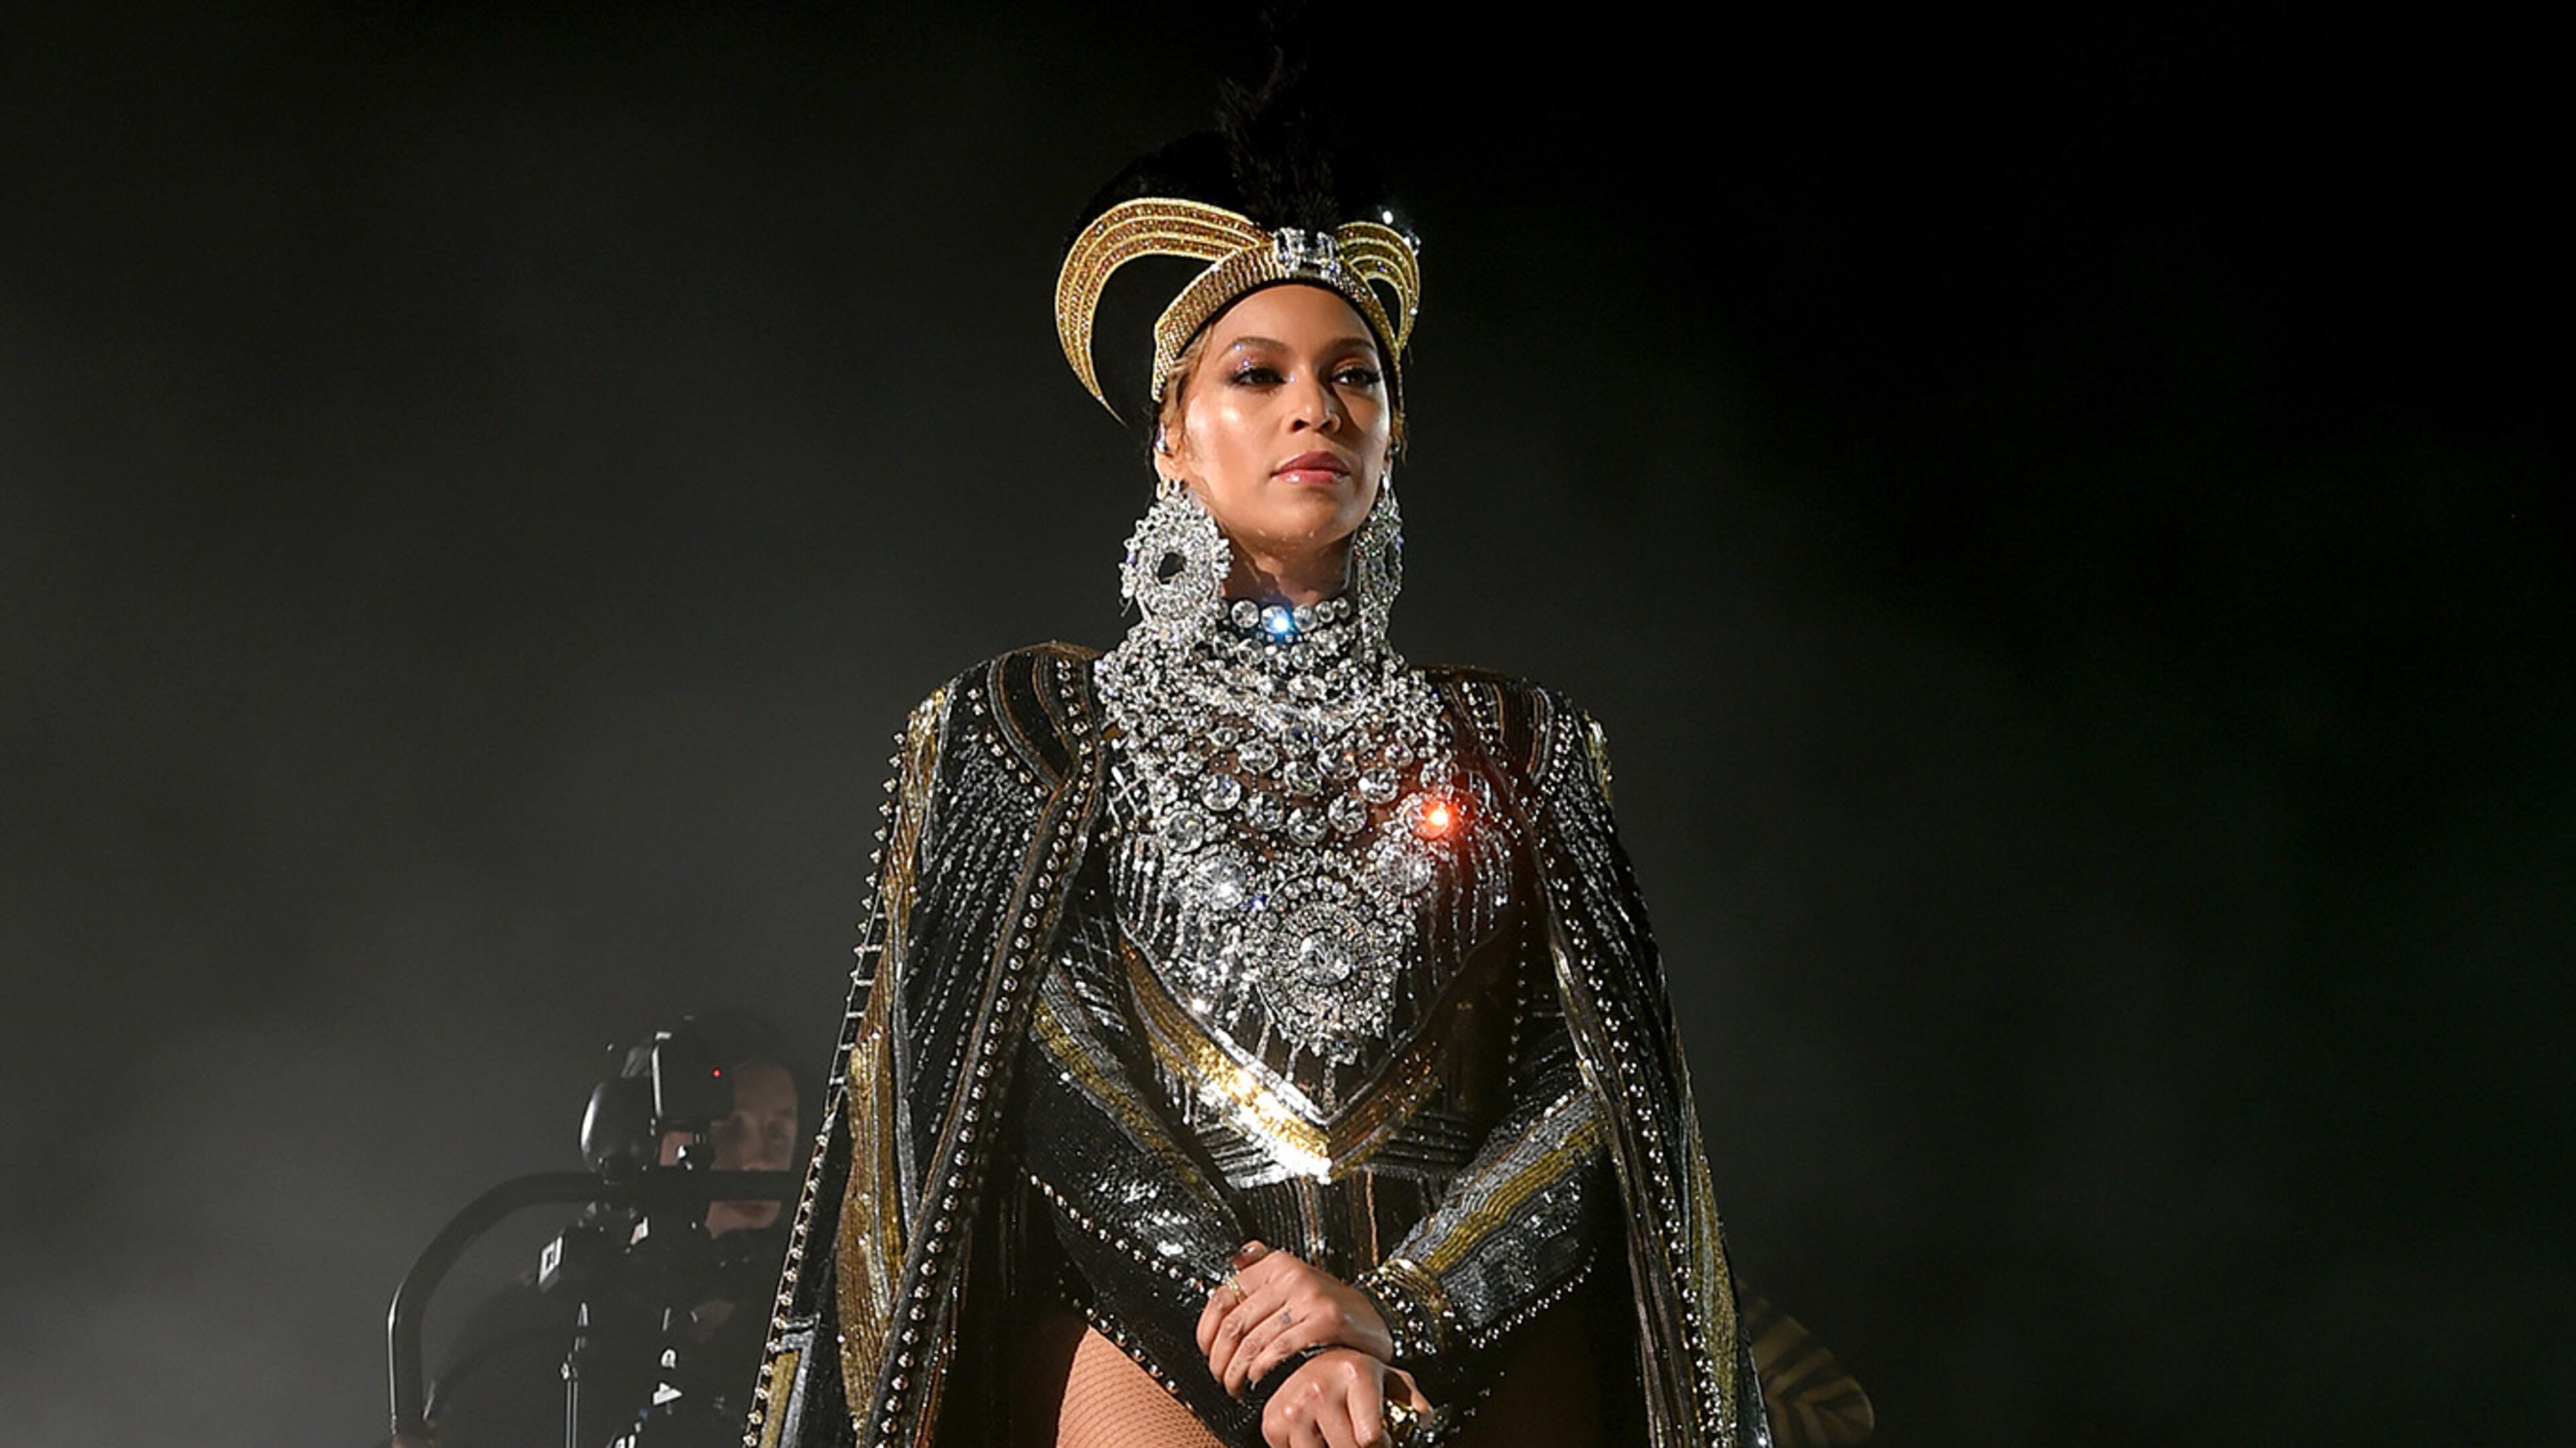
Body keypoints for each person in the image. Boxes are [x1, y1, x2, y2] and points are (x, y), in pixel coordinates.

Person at [747, 62, 1868, 1448]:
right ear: (1172, 432)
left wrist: (1401, 1311)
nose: (1317, 410)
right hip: (1160, 1332)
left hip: (1472, 1338)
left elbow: (1591, 1090)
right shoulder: (1027, 729)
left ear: (1393, 437)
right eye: (1258, 373)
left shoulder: (1524, 743)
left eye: (1355, 378)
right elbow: (1047, 1073)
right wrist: (1258, 1312)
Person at [416, 1011, 803, 1448]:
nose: (756, 1159)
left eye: (778, 1133)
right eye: (726, 1128)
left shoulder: (815, 1303)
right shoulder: (531, 1323)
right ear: (636, 1137)